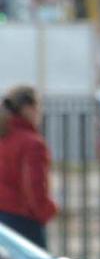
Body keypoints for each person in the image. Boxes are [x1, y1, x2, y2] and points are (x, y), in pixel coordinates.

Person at [0, 86, 58, 248]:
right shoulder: (32, 143)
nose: (40, 112)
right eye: (38, 107)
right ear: (27, 109)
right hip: (23, 219)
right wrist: (47, 211)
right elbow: (34, 186)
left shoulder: (4, 136)